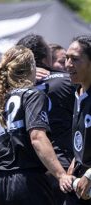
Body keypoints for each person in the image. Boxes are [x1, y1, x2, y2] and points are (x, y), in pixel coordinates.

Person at [0, 45, 73, 205]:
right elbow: (37, 137)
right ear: (32, 69)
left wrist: (10, 163)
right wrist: (60, 175)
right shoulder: (32, 95)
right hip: (28, 184)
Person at [65, 35, 91, 204]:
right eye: (67, 58)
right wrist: (74, 162)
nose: (68, 64)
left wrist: (89, 175)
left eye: (75, 59)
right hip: (79, 186)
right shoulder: (78, 94)